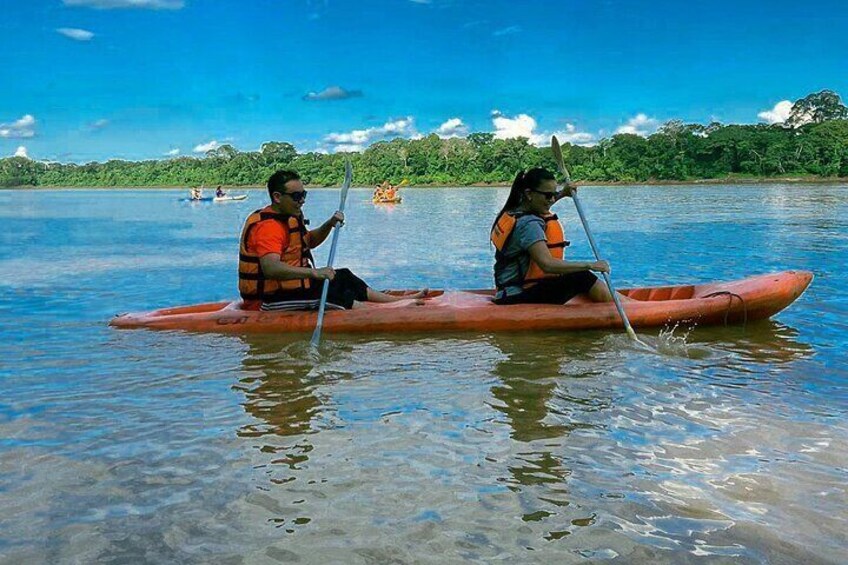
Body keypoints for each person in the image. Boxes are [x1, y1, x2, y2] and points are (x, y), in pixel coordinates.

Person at [238, 170, 427, 311]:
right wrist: (315, 274)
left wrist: (329, 224)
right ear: (277, 197)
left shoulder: (290, 216)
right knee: (332, 294)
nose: (302, 200)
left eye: (304, 195)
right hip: (268, 300)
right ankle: (389, 311)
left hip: (296, 287)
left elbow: (308, 242)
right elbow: (271, 268)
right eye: (296, 196)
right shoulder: (268, 227)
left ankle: (394, 302)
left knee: (343, 276)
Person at [490, 167, 622, 305]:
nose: (552, 199)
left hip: (507, 291)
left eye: (554, 194)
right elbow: (548, 265)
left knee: (576, 277)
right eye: (548, 195)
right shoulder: (529, 225)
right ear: (529, 193)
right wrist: (591, 265)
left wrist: (563, 193)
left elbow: (541, 204)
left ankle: (625, 302)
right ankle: (629, 307)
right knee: (582, 277)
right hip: (518, 296)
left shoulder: (515, 210)